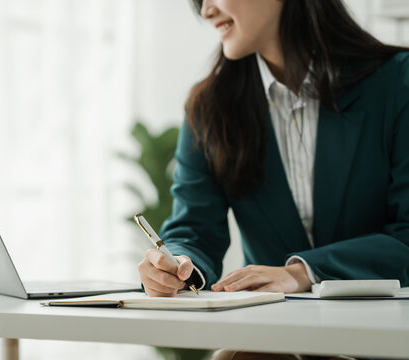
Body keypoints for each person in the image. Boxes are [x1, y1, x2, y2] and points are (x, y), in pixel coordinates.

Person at [137, 0, 409, 359]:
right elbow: (194, 231)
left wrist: (302, 273)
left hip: (388, 338)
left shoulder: (398, 82)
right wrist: (176, 267)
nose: (206, 12)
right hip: (281, 343)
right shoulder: (208, 108)